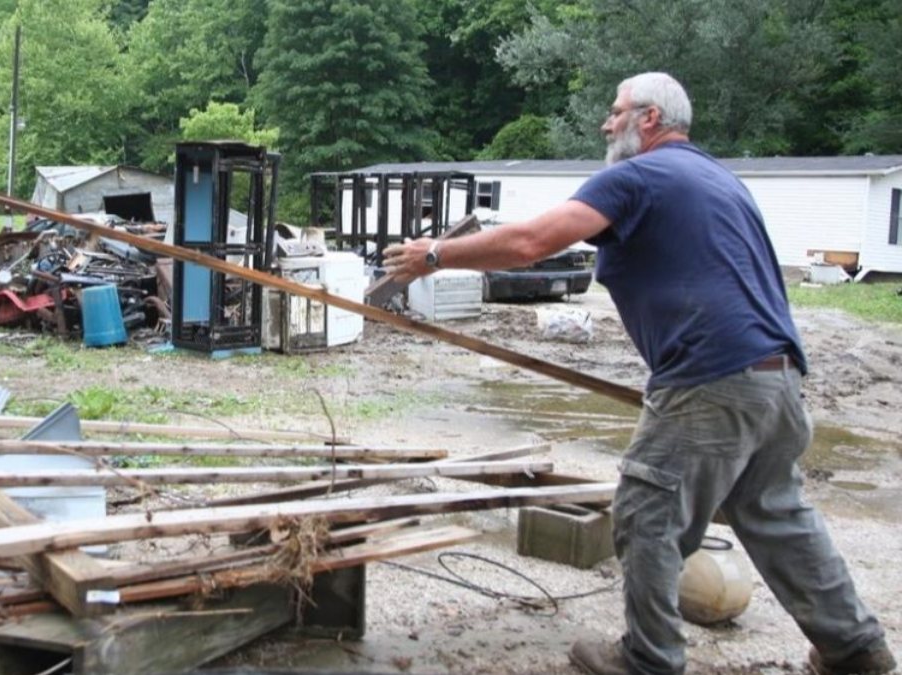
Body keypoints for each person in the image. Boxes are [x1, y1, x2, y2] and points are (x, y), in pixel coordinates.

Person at [382, 72, 896, 675]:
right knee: (777, 516)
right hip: (777, 377)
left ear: (648, 119)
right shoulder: (717, 178)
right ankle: (855, 649)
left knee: (648, 511)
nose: (606, 122)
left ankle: (648, 660)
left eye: (616, 110)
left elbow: (531, 243)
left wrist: (433, 256)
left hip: (710, 375)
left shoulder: (638, 175)